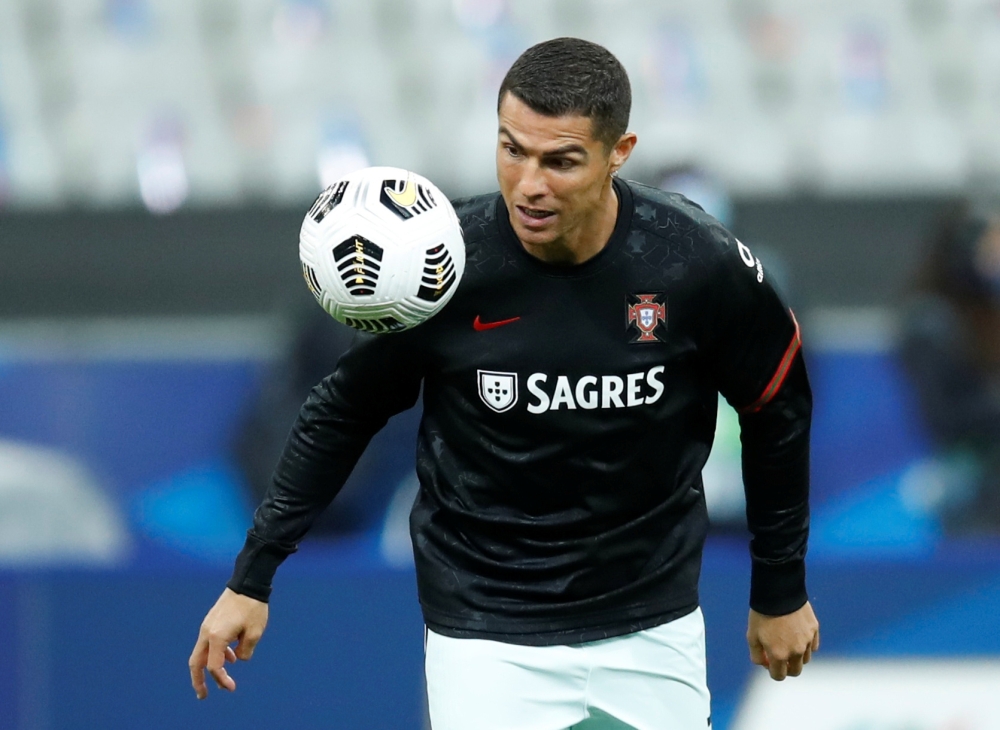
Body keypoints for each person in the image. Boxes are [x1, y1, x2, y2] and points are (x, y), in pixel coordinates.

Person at [189, 37, 819, 729]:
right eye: (512, 149)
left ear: (620, 152)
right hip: (486, 631)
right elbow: (342, 413)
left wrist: (780, 589)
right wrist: (251, 577)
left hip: (652, 623)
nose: (529, 183)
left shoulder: (696, 263)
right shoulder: (443, 264)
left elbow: (777, 409)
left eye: (561, 161)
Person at [900, 204, 1000, 533]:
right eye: (991, 246)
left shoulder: (987, 314)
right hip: (971, 487)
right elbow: (946, 414)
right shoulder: (931, 323)